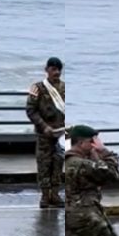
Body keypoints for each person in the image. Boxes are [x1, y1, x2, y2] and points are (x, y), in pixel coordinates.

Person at [26, 57, 67, 208]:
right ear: (47, 70)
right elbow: (31, 110)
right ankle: (44, 195)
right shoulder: (38, 88)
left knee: (58, 163)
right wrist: (43, 126)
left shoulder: (65, 88)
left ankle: (55, 194)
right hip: (44, 133)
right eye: (53, 69)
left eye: (59, 70)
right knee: (44, 164)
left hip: (61, 133)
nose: (56, 72)